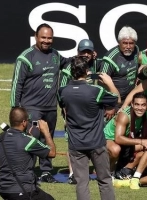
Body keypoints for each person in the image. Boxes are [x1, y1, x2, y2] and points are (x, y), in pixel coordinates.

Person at [10, 23, 69, 183]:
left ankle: (45, 172)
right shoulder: (25, 57)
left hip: (50, 108)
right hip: (31, 108)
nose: (47, 41)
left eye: (50, 38)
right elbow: (17, 84)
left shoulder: (55, 54)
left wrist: (85, 57)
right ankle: (25, 170)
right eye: (43, 37)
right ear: (36, 37)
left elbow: (68, 63)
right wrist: (15, 110)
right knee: (32, 137)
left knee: (47, 138)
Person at [58, 57, 119, 200]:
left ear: (71, 72)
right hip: (96, 143)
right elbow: (117, 99)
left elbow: (63, 107)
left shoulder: (63, 91)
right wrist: (110, 83)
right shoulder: (95, 91)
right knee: (104, 180)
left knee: (82, 182)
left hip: (76, 144)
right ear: (87, 71)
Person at [58, 39, 101, 184]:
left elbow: (98, 78)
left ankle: (92, 170)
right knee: (71, 141)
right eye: (83, 52)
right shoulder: (68, 69)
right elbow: (61, 92)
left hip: (91, 112)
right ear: (78, 52)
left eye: (89, 52)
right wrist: (65, 114)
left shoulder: (95, 66)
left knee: (93, 141)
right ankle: (72, 173)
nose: (86, 55)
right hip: (73, 112)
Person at [104, 92, 147, 178]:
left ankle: (127, 170)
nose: (140, 108)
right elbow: (118, 138)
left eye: (143, 105)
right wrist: (141, 141)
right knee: (115, 150)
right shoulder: (124, 116)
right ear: (132, 104)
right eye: (137, 104)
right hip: (108, 138)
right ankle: (109, 172)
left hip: (125, 139)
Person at [0, 107, 56, 200]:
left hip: (4, 189)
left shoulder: (2, 137)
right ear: (23, 122)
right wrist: (46, 132)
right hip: (23, 189)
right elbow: (52, 153)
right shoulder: (28, 141)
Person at [100, 26, 139, 119]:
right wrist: (109, 105)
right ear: (119, 42)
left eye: (131, 43)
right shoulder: (110, 58)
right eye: (125, 43)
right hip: (113, 103)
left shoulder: (136, 50)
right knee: (110, 131)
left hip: (129, 100)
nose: (128, 47)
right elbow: (101, 82)